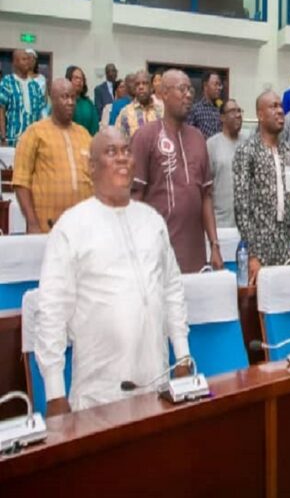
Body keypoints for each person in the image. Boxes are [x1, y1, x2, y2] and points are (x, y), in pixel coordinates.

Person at [35, 128, 191, 415]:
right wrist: (54, 392)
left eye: (126, 150)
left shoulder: (151, 220)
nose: (121, 157)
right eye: (111, 152)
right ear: (91, 168)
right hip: (99, 396)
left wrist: (182, 355)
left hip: (157, 385)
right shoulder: (71, 226)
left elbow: (172, 290)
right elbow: (51, 311)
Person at [131, 70, 223, 273]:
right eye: (182, 89)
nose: (189, 94)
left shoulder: (198, 138)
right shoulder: (145, 136)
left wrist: (215, 245)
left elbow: (206, 195)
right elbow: (134, 199)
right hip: (157, 255)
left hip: (195, 254)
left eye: (190, 89)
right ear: (163, 93)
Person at [233, 91, 290, 282]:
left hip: (286, 250)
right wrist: (252, 255)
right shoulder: (247, 152)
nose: (280, 111)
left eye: (281, 106)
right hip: (258, 250)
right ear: (260, 115)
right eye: (273, 106)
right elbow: (242, 208)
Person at [12, 78, 93, 233]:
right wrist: (32, 222)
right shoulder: (34, 133)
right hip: (46, 227)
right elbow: (20, 181)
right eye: (64, 97)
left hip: (83, 229)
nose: (70, 102)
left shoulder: (84, 135)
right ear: (52, 99)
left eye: (73, 97)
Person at [207, 99, 247, 227]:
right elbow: (206, 188)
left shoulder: (248, 143)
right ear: (222, 117)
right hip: (221, 223)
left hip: (245, 224)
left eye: (239, 111)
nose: (238, 115)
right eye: (232, 111)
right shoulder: (212, 145)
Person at [0, 49, 46, 146]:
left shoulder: (35, 86)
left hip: (33, 142)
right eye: (24, 59)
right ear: (15, 63)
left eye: (28, 59)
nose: (27, 62)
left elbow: (42, 114)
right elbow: (1, 110)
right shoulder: (7, 82)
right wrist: (3, 137)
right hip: (12, 141)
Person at [116, 70, 163, 141]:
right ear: (134, 89)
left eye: (145, 83)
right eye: (137, 84)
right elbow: (118, 142)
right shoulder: (125, 113)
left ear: (151, 87)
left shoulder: (162, 111)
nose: (141, 87)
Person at [186, 71, 222, 139]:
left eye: (220, 85)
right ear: (205, 86)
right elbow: (188, 136)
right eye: (216, 84)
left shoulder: (220, 110)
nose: (219, 88)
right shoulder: (195, 110)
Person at [65, 66, 99, 136]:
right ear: (68, 80)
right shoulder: (61, 101)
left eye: (82, 79)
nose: (79, 81)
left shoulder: (89, 104)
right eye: (76, 78)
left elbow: (95, 129)